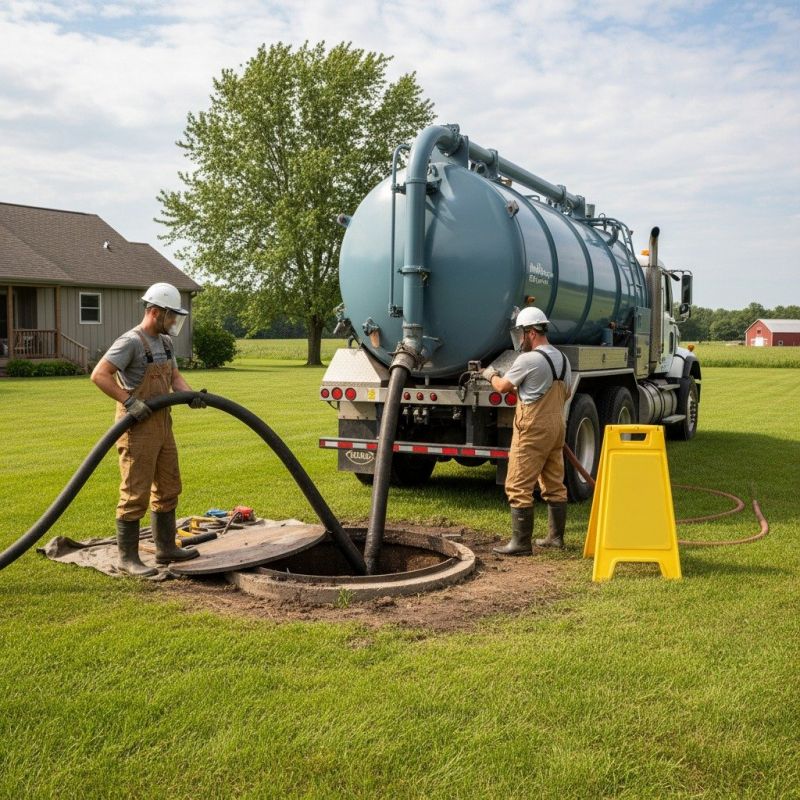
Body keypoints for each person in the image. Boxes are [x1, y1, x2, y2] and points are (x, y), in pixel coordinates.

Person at [91, 282, 205, 576]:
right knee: (135, 493)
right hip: (137, 427)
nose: (174, 322)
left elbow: (175, 378)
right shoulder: (130, 341)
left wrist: (192, 395)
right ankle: (127, 559)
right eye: (171, 316)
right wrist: (129, 402)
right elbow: (99, 375)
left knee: (169, 486)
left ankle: (166, 548)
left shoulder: (165, 343)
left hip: (163, 424)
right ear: (155, 312)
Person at [482, 306, 572, 555]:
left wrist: (489, 374)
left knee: (518, 484)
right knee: (554, 482)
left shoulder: (527, 360)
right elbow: (567, 392)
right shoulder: (563, 359)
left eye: (522, 333)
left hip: (532, 428)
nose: (520, 338)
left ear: (532, 332)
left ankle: (521, 544)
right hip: (556, 427)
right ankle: (556, 539)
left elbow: (502, 387)